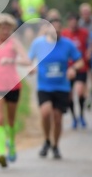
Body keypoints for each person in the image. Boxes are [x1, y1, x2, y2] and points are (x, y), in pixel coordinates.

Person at [29, 13, 85, 159]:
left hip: (62, 87)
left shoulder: (68, 44)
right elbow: (29, 60)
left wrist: (73, 69)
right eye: (53, 29)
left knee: (58, 118)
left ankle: (55, 146)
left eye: (59, 29)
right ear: (47, 29)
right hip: (44, 86)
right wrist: (31, 68)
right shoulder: (38, 43)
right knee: (46, 113)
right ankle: (47, 140)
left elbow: (80, 61)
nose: (56, 32)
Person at [0, 13, 31, 168]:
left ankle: (12, 143)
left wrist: (12, 60)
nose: (5, 32)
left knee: (10, 120)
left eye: (8, 29)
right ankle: (1, 153)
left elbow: (27, 60)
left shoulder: (14, 44)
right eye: (3, 28)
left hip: (13, 85)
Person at [61, 13, 90, 129]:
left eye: (75, 21)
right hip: (67, 68)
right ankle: (74, 118)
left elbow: (89, 46)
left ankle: (82, 115)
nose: (73, 24)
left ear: (78, 22)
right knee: (69, 95)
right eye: (71, 21)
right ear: (68, 22)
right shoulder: (64, 34)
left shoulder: (84, 33)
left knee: (80, 91)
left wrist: (89, 54)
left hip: (81, 66)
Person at [78, 3, 92, 109]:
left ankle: (91, 95)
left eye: (87, 12)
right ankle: (86, 97)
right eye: (84, 13)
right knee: (84, 78)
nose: (86, 14)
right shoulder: (79, 24)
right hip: (83, 54)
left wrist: (91, 51)